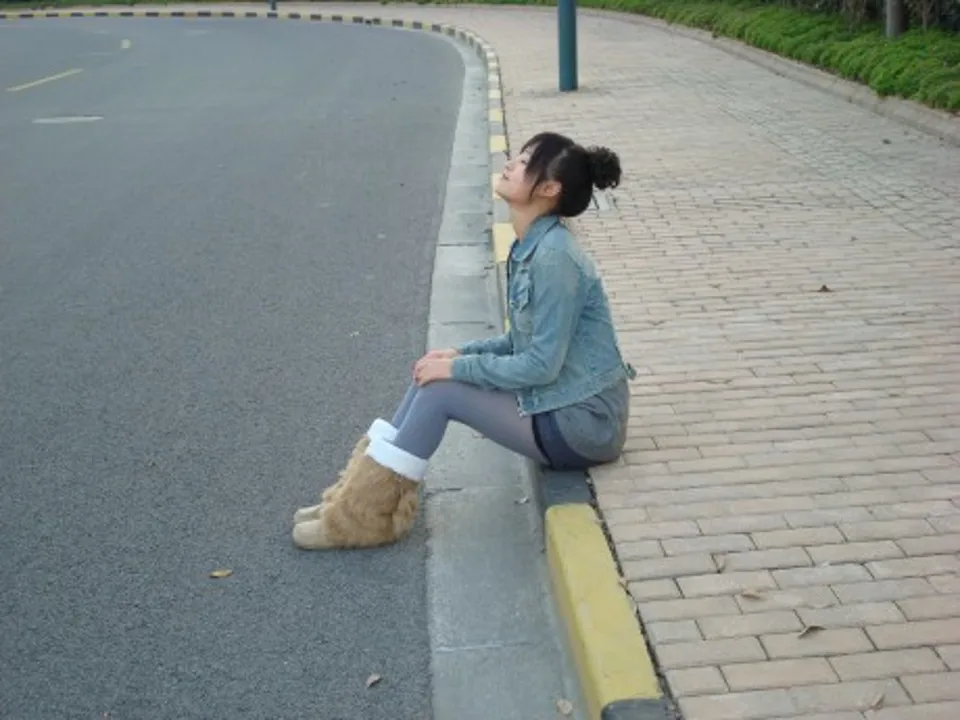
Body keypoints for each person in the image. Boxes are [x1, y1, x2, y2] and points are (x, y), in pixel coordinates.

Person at [292, 131, 636, 551]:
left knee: (442, 391)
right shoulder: (533, 246)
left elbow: (540, 365)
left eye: (525, 161)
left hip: (584, 424)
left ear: (549, 189)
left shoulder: (554, 258)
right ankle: (351, 501)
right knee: (432, 372)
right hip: (563, 405)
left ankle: (365, 520)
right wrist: (458, 355)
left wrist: (457, 369)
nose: (511, 164)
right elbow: (519, 341)